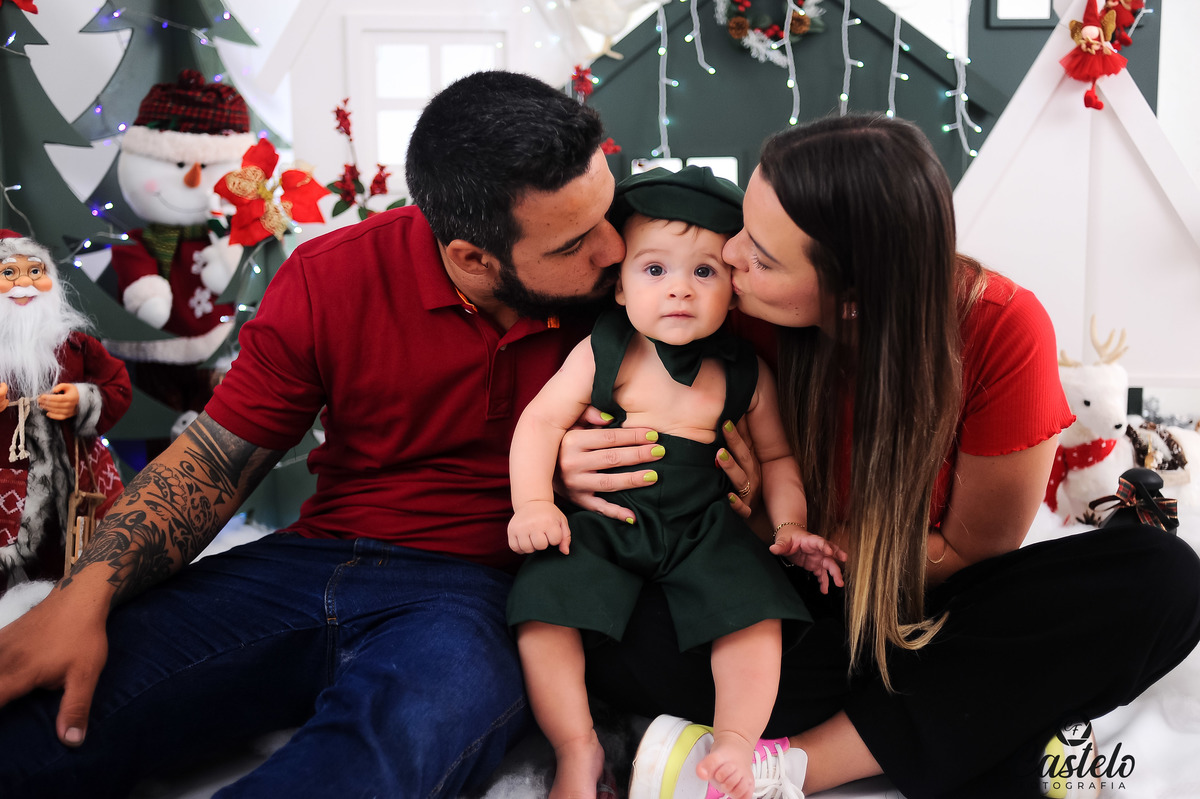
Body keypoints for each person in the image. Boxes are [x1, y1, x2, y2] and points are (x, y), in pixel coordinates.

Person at [0, 70, 701, 798]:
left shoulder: (646, 285)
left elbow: (726, 415)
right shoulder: (330, 275)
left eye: (607, 211)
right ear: (472, 257)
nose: (614, 248)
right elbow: (215, 464)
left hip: (480, 594)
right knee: (59, 703)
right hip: (309, 563)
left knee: (382, 748)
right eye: (575, 242)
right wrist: (81, 597)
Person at [577, 114, 1200, 798]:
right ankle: (992, 715)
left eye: (763, 255)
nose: (730, 255)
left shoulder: (1000, 328)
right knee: (612, 627)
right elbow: (606, 383)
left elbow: (973, 553)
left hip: (913, 604)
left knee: (1164, 579)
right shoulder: (729, 303)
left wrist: (799, 532)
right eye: (744, 228)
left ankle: (796, 764)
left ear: (852, 298)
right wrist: (578, 460)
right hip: (766, 608)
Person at [505, 167, 844, 799]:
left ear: (734, 290)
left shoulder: (746, 371)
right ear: (620, 286)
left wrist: (790, 524)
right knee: (542, 604)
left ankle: (736, 742)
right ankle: (577, 746)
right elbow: (541, 422)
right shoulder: (604, 349)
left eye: (704, 272)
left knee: (755, 615)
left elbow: (777, 458)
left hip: (706, 527)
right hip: (611, 519)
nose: (680, 289)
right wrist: (533, 504)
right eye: (655, 269)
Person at [0, 231, 130, 595]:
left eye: (35, 271)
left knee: (75, 562)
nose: (24, 283)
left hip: (75, 480)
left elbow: (118, 386)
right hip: (7, 489)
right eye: (9, 273)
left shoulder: (75, 345)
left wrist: (83, 398)